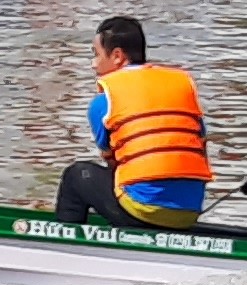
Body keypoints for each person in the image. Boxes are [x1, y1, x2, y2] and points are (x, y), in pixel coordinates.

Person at [53, 14, 211, 229]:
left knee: (77, 175)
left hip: (142, 210)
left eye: (96, 55)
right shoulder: (181, 85)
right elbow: (200, 145)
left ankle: (66, 245)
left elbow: (114, 162)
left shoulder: (104, 100)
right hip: (190, 210)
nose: (93, 64)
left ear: (117, 56)